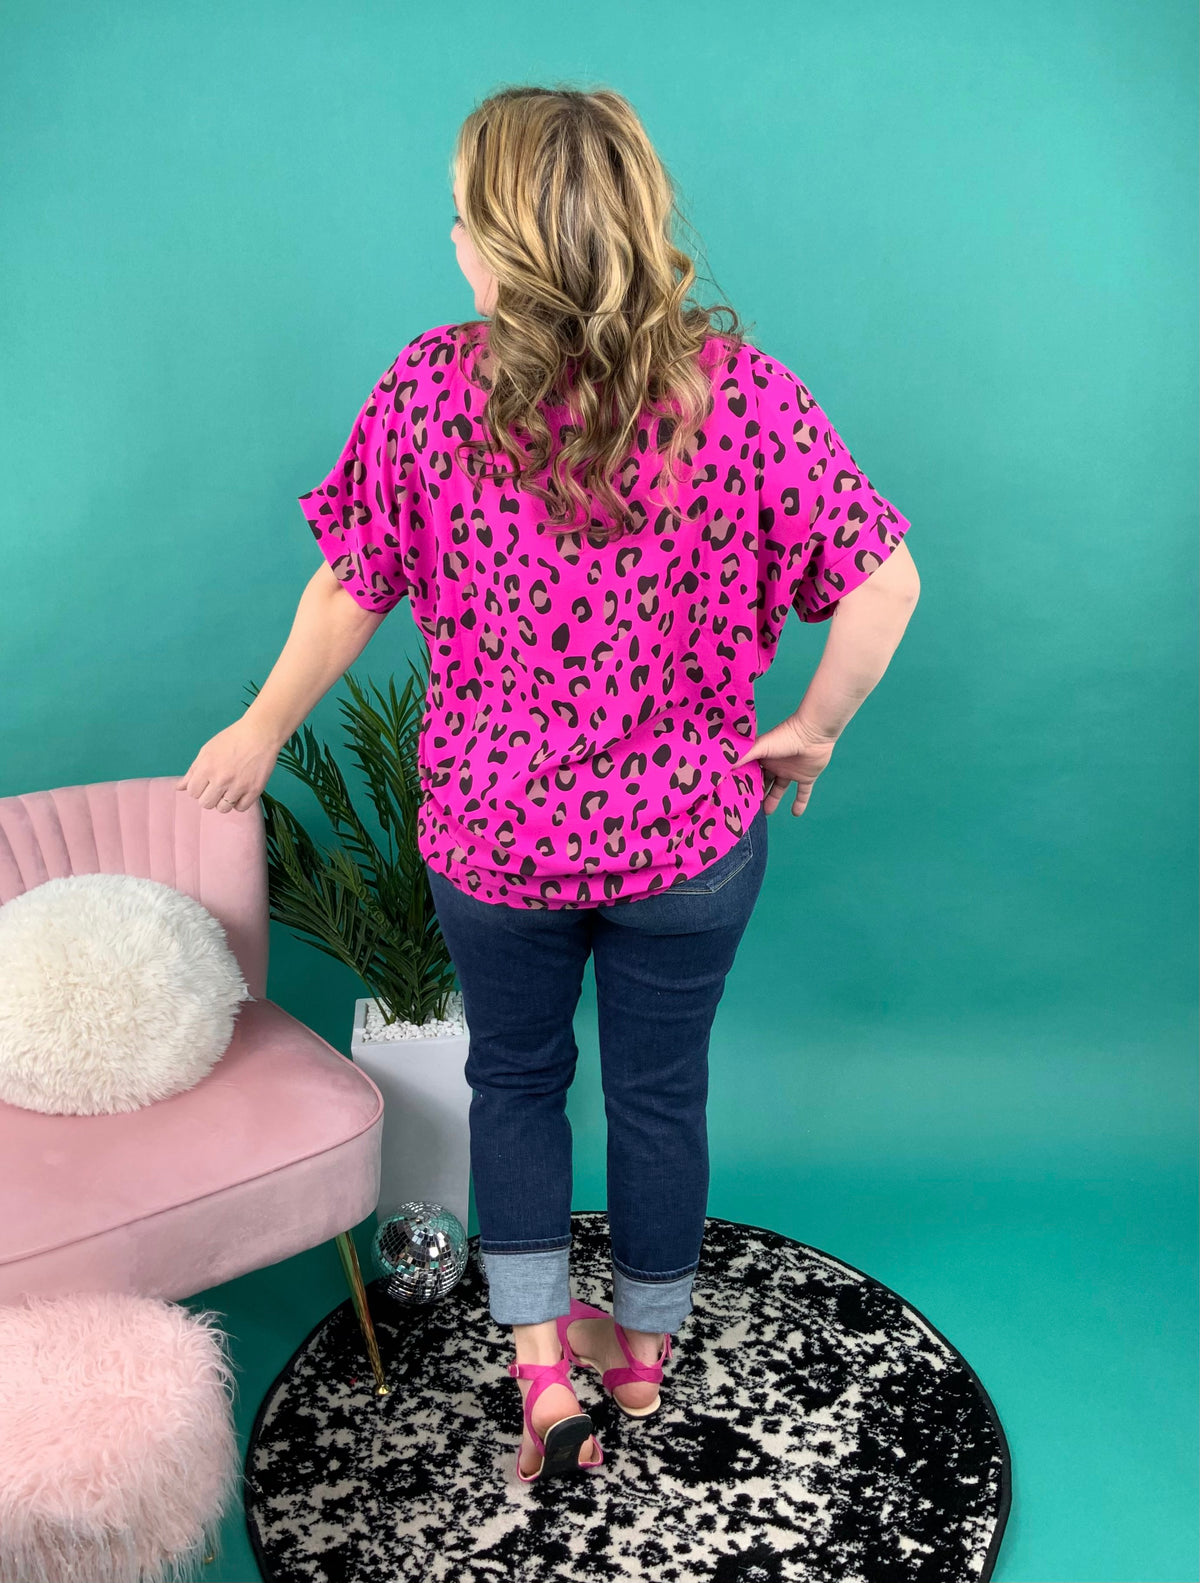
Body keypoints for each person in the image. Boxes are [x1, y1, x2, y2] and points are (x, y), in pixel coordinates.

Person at [177, 85, 920, 1484]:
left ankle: (537, 1366)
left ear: (505, 243)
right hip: (691, 837)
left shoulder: (428, 388)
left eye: (464, 216)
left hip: (494, 841)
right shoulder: (745, 397)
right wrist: (811, 732)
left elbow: (349, 587)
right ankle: (640, 1359)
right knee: (662, 1093)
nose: (452, 238)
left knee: (514, 1081)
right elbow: (888, 584)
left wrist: (263, 729)